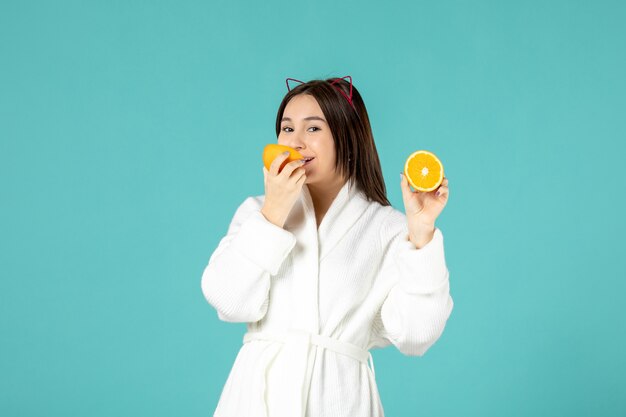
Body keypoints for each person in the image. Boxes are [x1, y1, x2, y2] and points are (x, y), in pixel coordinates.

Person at [201, 75, 453, 417]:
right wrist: (274, 211)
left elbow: (415, 335)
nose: (296, 141)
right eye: (287, 129)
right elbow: (229, 301)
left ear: (346, 138)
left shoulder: (388, 229)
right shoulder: (256, 213)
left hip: (339, 400)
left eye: (313, 129)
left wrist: (422, 235)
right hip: (254, 402)